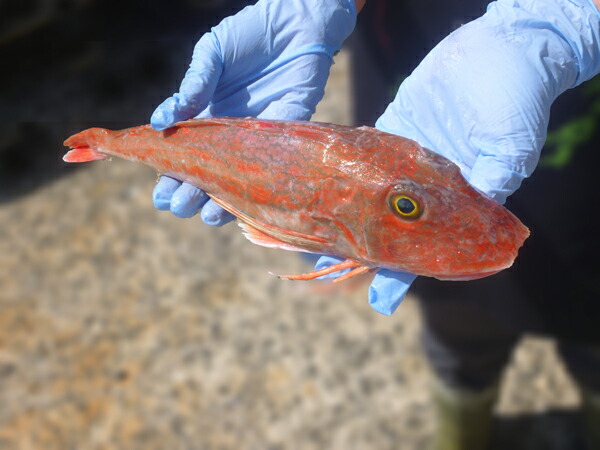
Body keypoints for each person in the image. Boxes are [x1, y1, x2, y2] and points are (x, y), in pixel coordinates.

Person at [150, 0, 600, 448]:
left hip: (580, 171)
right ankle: (462, 428)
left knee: (591, 332)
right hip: (419, 111)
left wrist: (562, 21)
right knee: (455, 333)